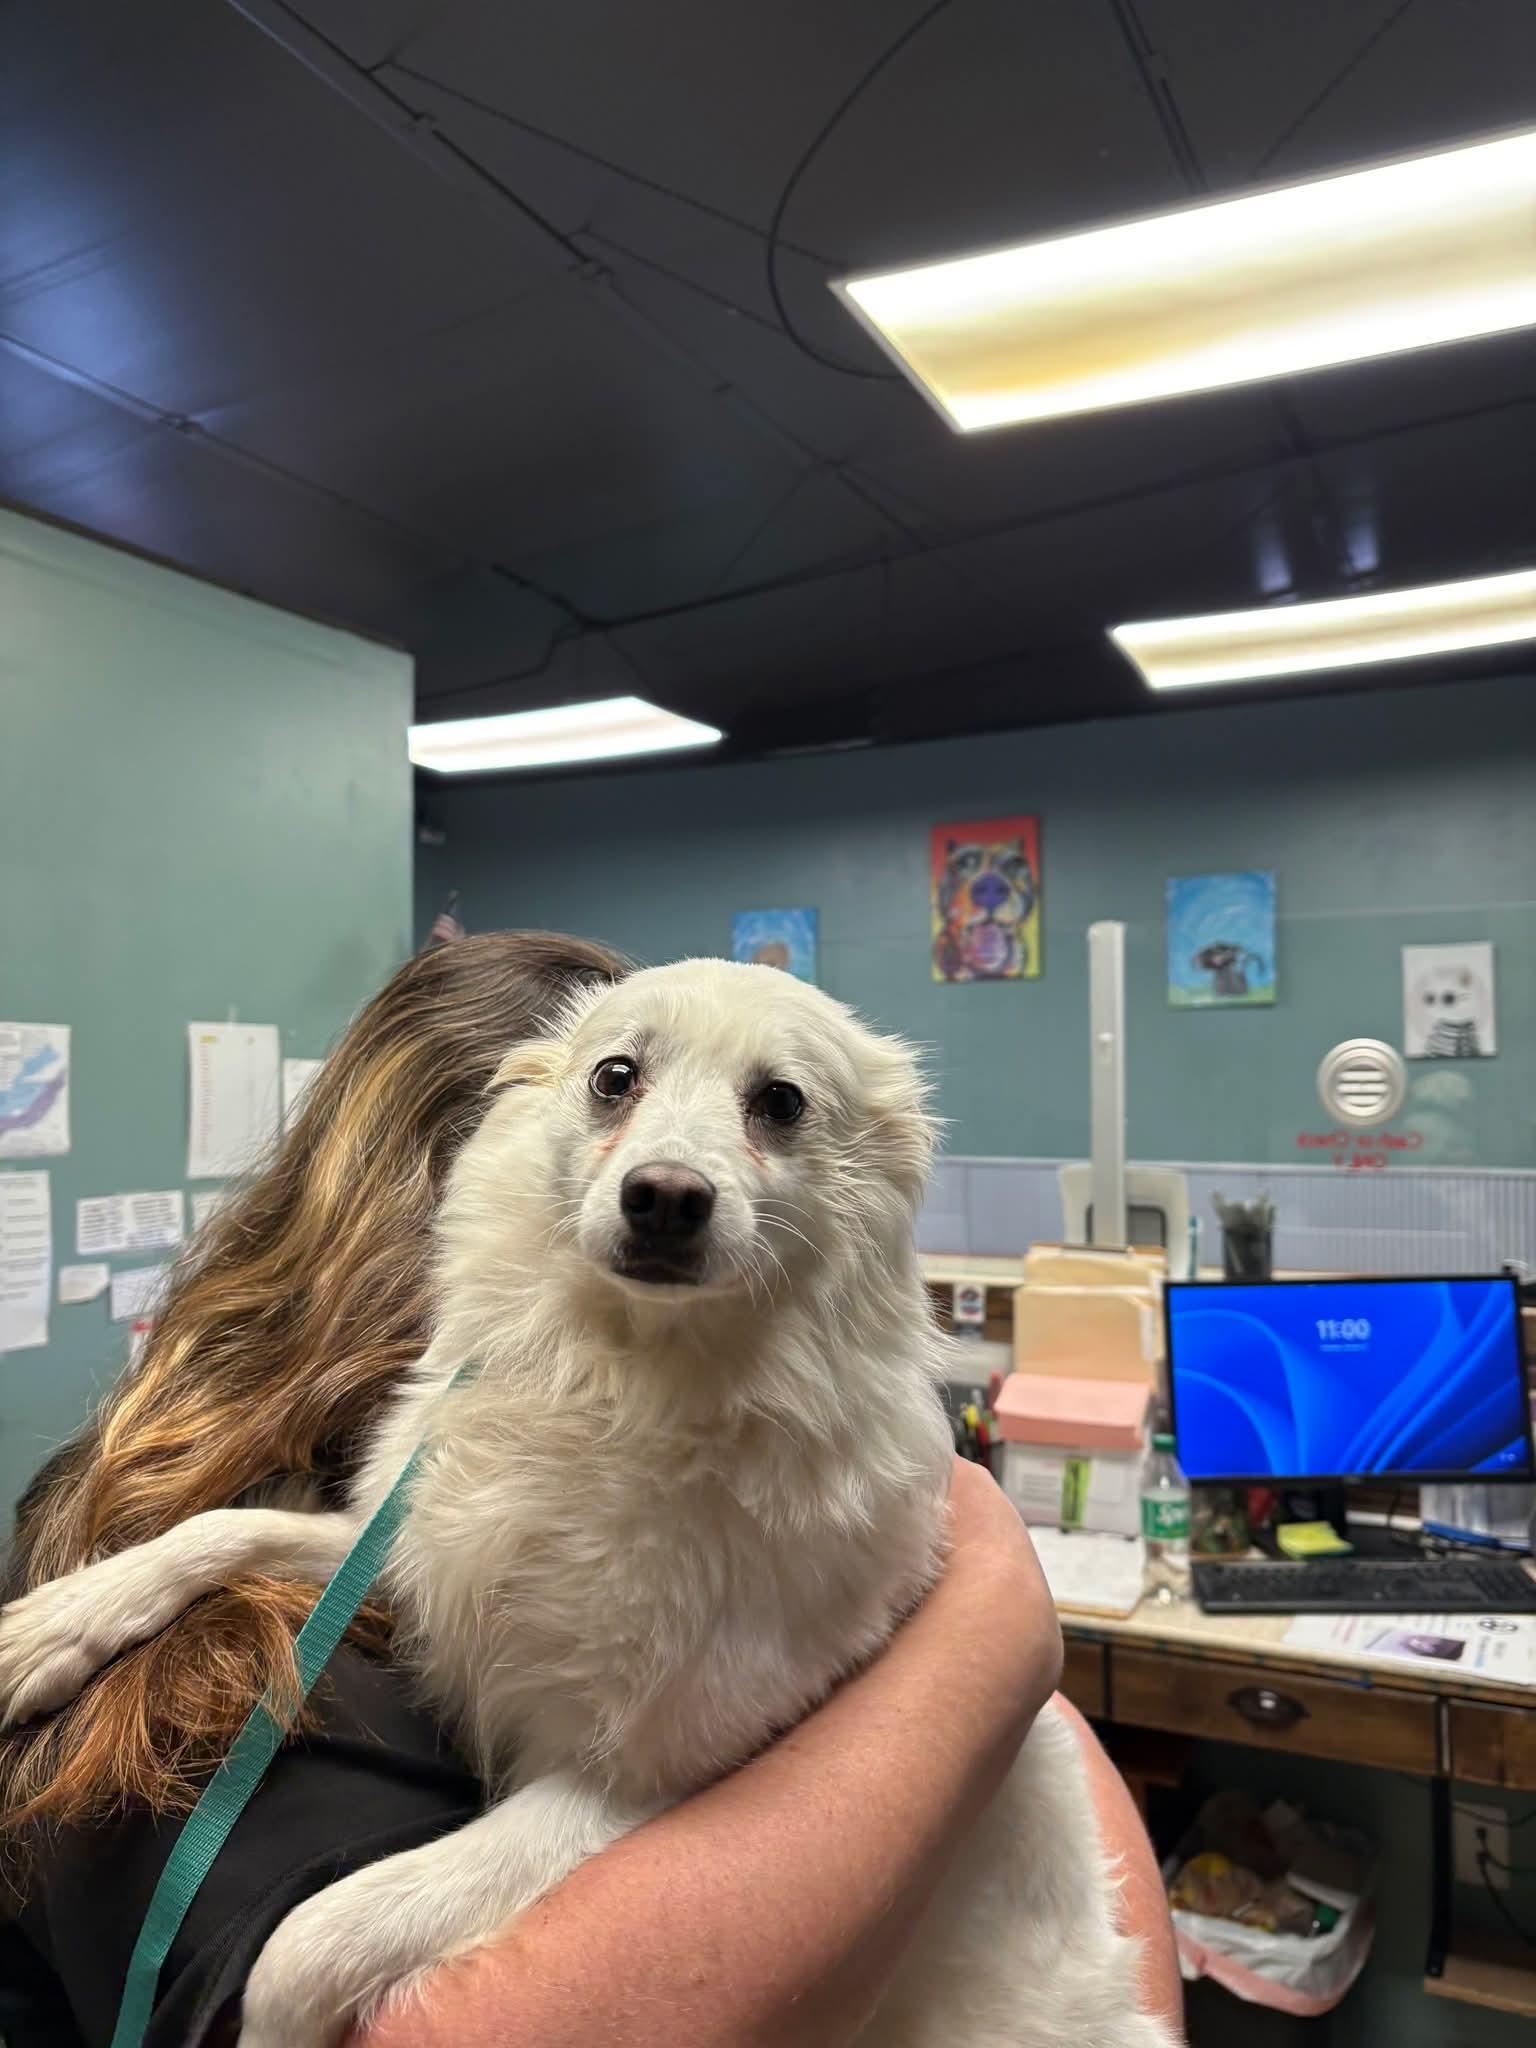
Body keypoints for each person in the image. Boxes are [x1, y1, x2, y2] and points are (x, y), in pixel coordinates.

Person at [0, 932, 1180, 2047]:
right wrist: (999, 1614)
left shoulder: (810, 1471)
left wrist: (997, 1617)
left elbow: (627, 1776)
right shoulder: (447, 1399)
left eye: (774, 1106)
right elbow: (395, 1551)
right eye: (617, 1079)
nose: (668, 1167)